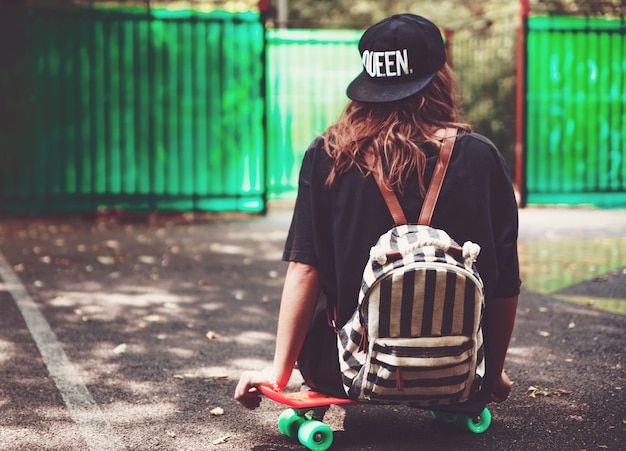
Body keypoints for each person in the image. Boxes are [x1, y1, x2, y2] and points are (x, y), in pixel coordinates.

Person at [235, 13, 520, 411]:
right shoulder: (481, 156)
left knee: (322, 274)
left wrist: (278, 376)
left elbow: (306, 269)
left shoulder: (329, 154)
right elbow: (505, 280)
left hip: (344, 372)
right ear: (439, 78)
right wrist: (490, 376)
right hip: (457, 371)